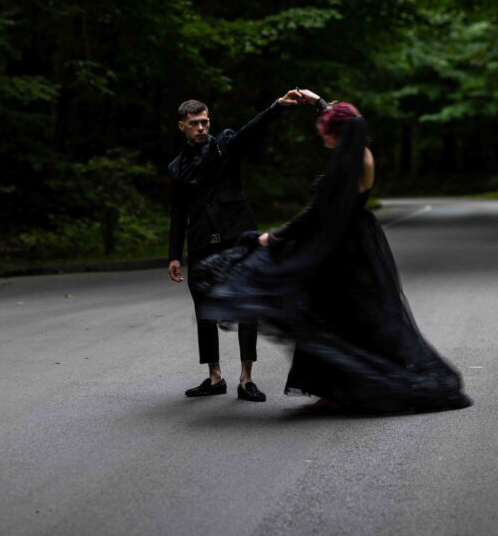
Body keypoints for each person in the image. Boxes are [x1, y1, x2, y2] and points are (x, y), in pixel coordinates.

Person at [194, 93, 472, 414]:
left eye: (324, 129)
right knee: (340, 319)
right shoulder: (360, 151)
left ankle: (351, 389)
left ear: (336, 133)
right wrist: (319, 102)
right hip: (355, 244)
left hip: (344, 252)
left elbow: (316, 213)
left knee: (334, 320)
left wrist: (276, 237)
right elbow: (348, 121)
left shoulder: (347, 163)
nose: (319, 132)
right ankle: (335, 389)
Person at [168, 90, 304, 402]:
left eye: (205, 122)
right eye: (194, 123)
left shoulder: (224, 144)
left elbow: (249, 131)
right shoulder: (177, 167)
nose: (201, 128)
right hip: (201, 240)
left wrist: (276, 106)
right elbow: (177, 214)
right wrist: (174, 255)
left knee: (246, 303)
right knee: (204, 306)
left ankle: (246, 378)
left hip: (236, 235)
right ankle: (215, 377)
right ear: (182, 127)